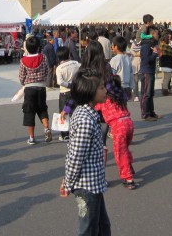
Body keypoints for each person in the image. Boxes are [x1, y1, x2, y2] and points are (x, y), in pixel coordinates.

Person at [61, 68, 111, 235]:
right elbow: (76, 156)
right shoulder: (85, 120)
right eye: (102, 87)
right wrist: (68, 182)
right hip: (86, 185)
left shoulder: (88, 113)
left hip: (94, 183)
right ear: (90, 91)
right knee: (89, 228)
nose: (105, 91)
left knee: (102, 226)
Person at [94, 72, 136, 190]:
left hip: (118, 126)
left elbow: (94, 107)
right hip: (129, 123)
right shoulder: (120, 97)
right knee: (125, 148)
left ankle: (128, 179)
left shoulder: (104, 100)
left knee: (120, 152)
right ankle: (129, 165)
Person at [18, 36, 51, 145]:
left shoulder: (23, 61)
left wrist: (24, 83)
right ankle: (46, 128)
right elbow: (47, 71)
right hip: (41, 87)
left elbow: (22, 77)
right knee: (42, 108)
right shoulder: (43, 57)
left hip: (29, 88)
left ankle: (32, 137)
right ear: (38, 47)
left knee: (29, 111)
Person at [55, 46, 80, 141]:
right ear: (69, 54)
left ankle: (65, 134)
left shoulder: (59, 68)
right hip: (75, 90)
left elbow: (60, 82)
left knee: (63, 112)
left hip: (65, 92)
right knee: (75, 111)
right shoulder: (76, 63)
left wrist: (68, 85)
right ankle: (76, 130)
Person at [139, 25, 161, 122]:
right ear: (152, 34)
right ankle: (145, 114)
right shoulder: (146, 45)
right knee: (146, 93)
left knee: (151, 93)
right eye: (157, 33)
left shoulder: (151, 44)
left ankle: (151, 112)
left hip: (150, 70)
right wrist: (155, 54)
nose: (158, 35)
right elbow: (146, 59)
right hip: (146, 71)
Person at [158, 30, 172, 96]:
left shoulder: (160, 45)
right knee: (167, 78)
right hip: (167, 64)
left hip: (162, 63)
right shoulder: (167, 46)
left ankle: (163, 89)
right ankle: (165, 91)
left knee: (164, 78)